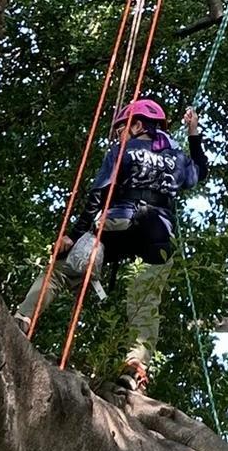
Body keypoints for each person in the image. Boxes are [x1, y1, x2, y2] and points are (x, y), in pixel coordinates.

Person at [61, 98, 210, 384]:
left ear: (138, 125)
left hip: (119, 223)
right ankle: (136, 366)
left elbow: (97, 196)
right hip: (159, 234)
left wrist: (74, 235)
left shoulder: (122, 151)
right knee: (145, 299)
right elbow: (201, 170)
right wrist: (194, 131)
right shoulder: (176, 158)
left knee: (68, 264)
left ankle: (25, 316)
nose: (118, 135)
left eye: (121, 129)